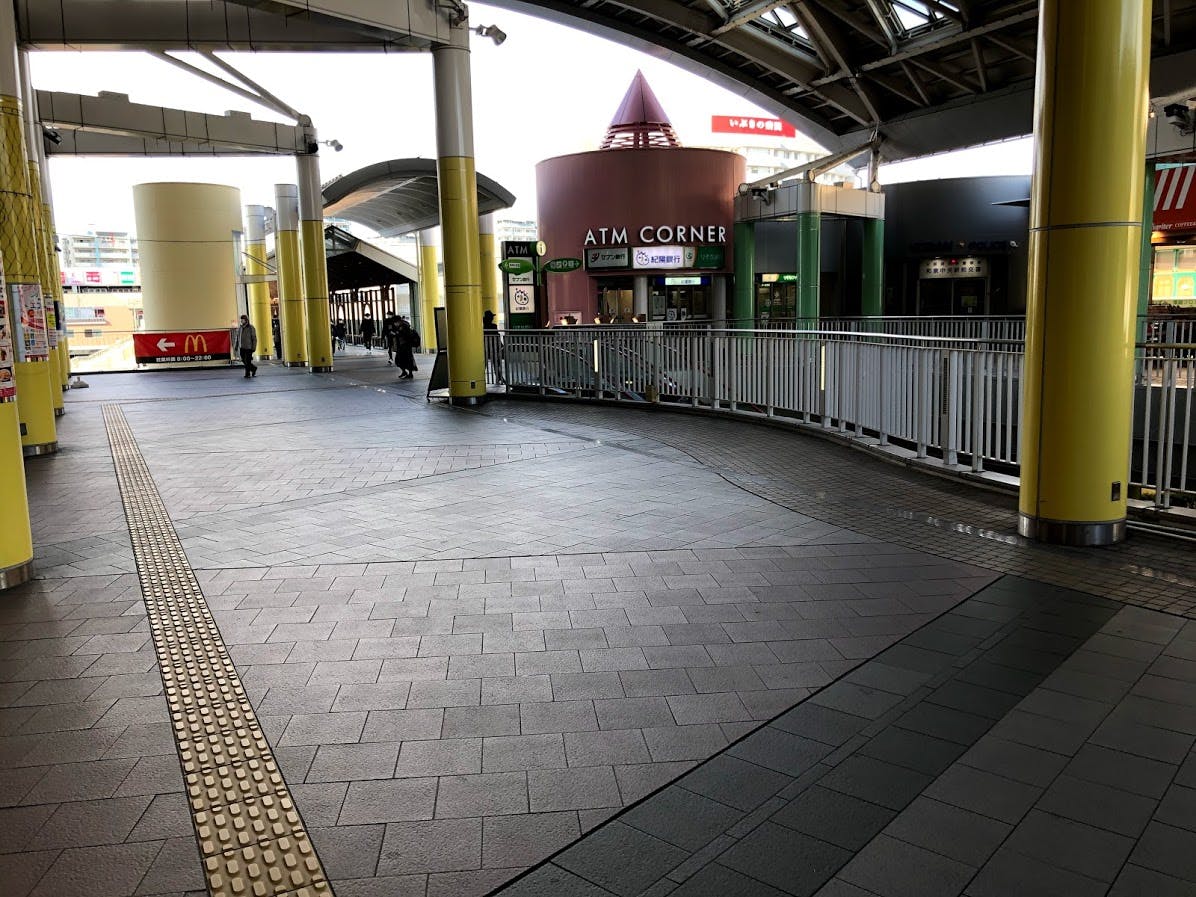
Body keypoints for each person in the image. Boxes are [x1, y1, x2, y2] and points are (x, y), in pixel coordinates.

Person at [483, 309, 504, 384]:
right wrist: (501, 346)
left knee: (484, 364)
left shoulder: (482, 326)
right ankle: (499, 378)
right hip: (493, 347)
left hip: (484, 348)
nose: (493, 318)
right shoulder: (493, 326)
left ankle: (480, 377)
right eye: (492, 317)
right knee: (496, 363)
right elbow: (497, 336)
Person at [234, 314, 258, 378]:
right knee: (244, 360)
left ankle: (247, 374)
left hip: (249, 347)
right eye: (241, 320)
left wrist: (254, 347)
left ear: (246, 320)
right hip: (242, 347)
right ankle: (253, 368)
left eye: (242, 320)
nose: (241, 321)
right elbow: (238, 337)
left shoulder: (251, 328)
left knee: (248, 361)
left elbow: (254, 338)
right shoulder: (240, 328)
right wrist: (236, 346)